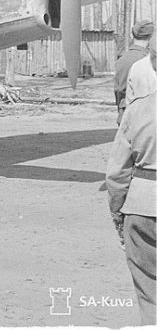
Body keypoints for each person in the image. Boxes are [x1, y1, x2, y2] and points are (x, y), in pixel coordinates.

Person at [106, 34, 156, 325]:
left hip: (143, 206)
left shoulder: (136, 108)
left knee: (150, 292)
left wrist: (118, 214)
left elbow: (116, 173)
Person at [114, 20, 154, 124]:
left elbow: (118, 91)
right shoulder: (149, 61)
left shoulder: (122, 60)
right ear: (151, 37)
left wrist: (121, 111)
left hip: (125, 114)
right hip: (146, 116)